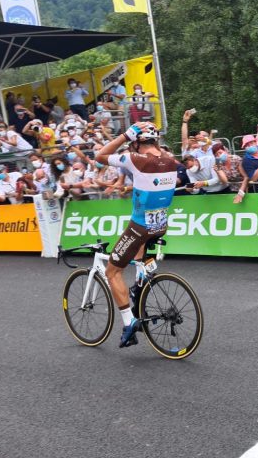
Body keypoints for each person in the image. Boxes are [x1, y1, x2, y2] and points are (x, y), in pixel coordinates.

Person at [95, 122, 179, 348]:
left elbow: (100, 156)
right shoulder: (171, 160)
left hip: (140, 226)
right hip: (161, 224)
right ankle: (140, 282)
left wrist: (125, 134)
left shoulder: (135, 159)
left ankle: (129, 322)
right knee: (138, 254)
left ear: (137, 142)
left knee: (112, 272)